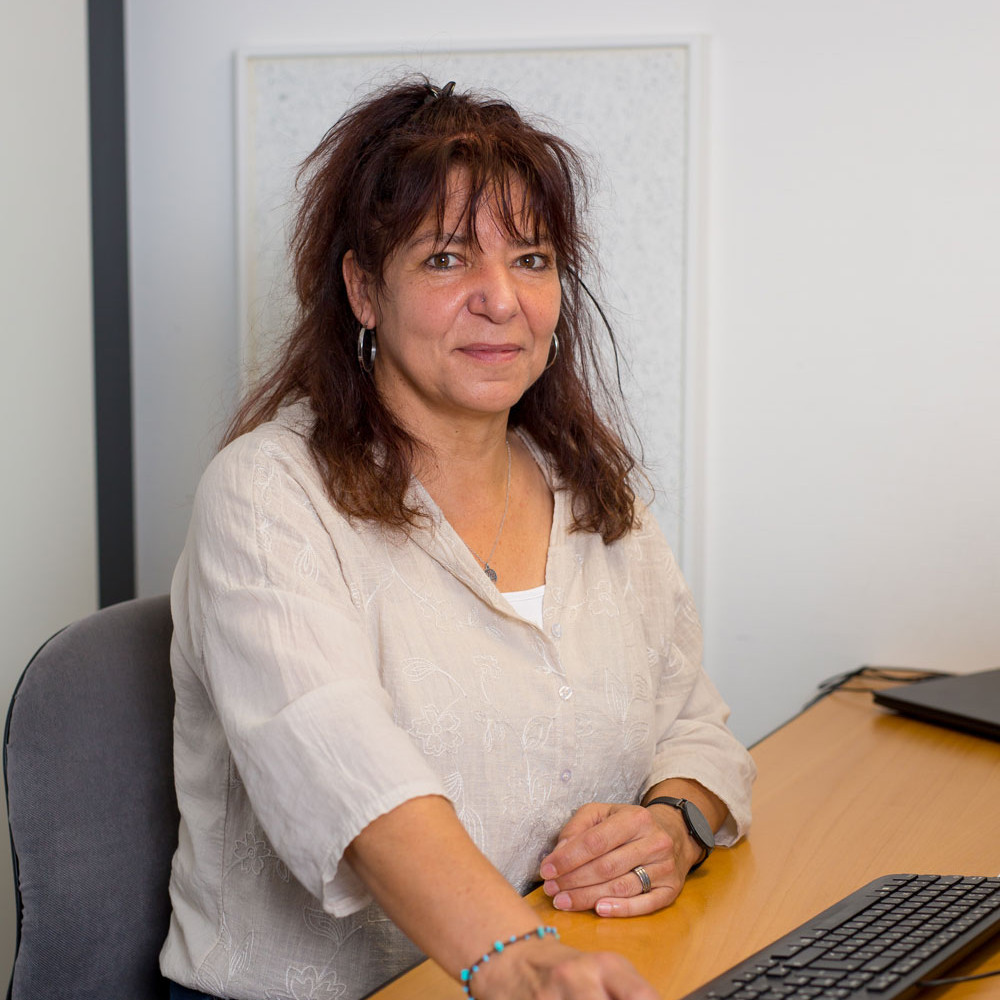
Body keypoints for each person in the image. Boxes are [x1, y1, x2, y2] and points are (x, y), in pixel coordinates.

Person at [160, 77, 756, 1000]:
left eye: (532, 259)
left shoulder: (593, 488)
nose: (501, 299)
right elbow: (350, 779)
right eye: (446, 259)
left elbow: (696, 727)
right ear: (364, 288)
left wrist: (674, 825)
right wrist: (515, 956)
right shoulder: (267, 494)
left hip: (560, 965)